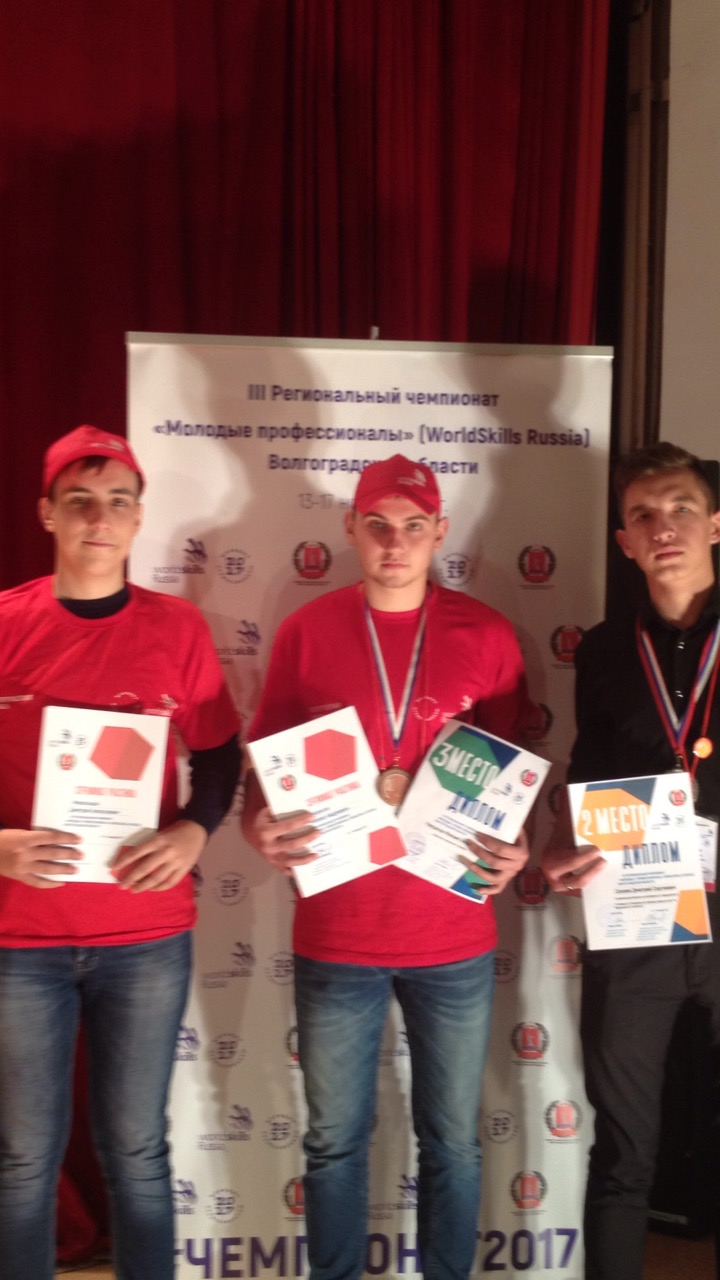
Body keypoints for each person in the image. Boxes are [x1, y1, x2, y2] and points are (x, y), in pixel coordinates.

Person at [242, 454, 530, 1280]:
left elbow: (513, 774)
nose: (394, 543)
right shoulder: (307, 631)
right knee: (334, 1143)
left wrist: (515, 846)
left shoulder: (488, 634)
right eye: (377, 525)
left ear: (440, 532)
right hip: (339, 932)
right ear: (351, 528)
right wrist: (259, 827)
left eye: (413, 526)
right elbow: (263, 766)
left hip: (453, 936)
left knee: (453, 1142)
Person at [0, 425, 241, 1280]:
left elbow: (218, 753)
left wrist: (192, 830)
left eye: (117, 502)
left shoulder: (178, 629)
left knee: (138, 1150)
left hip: (143, 937)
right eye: (79, 501)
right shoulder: (4, 623)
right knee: (22, 1159)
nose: (99, 519)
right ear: (47, 513)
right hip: (19, 940)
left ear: (139, 518)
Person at [541, 441, 720, 1280]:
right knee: (622, 1154)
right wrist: (571, 840)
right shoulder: (607, 650)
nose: (664, 527)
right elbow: (589, 769)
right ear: (624, 541)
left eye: (681, 508)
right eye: (644, 515)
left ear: (715, 524)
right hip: (641, 915)